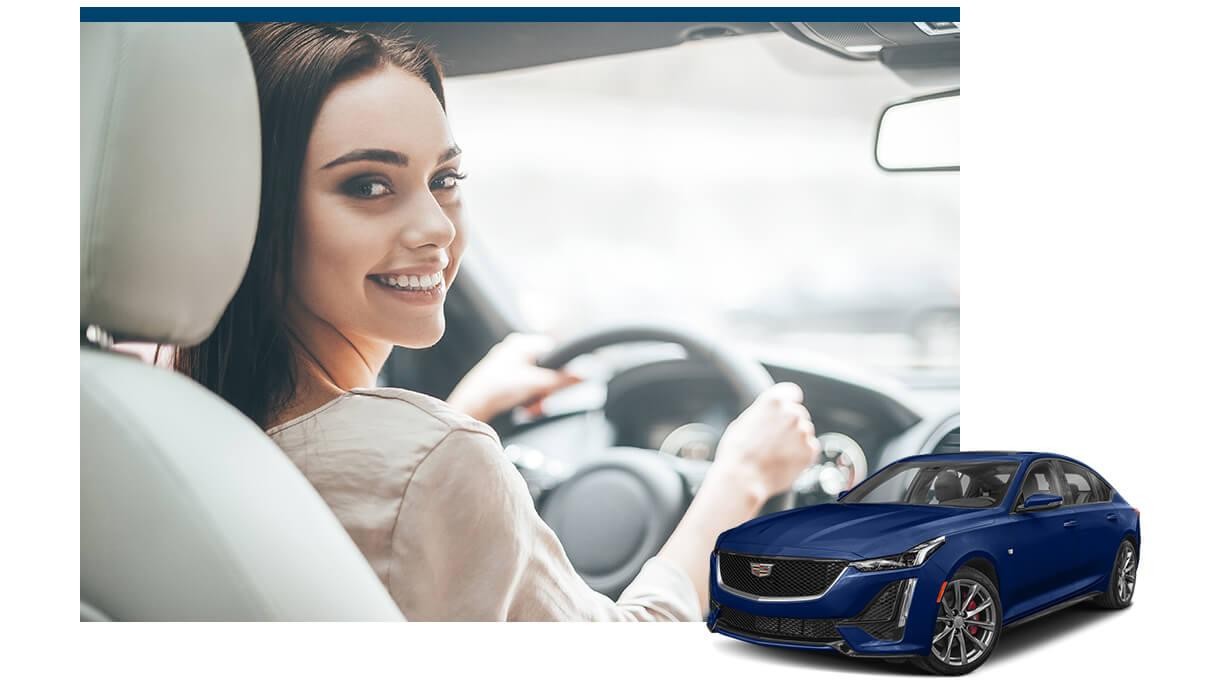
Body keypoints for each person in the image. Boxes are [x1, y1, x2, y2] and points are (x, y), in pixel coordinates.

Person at [175, 22, 820, 621]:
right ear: (253, 212)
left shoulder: (176, 425)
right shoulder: (440, 460)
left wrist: (463, 413)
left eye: (446, 177)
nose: (436, 225)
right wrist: (742, 480)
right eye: (368, 185)